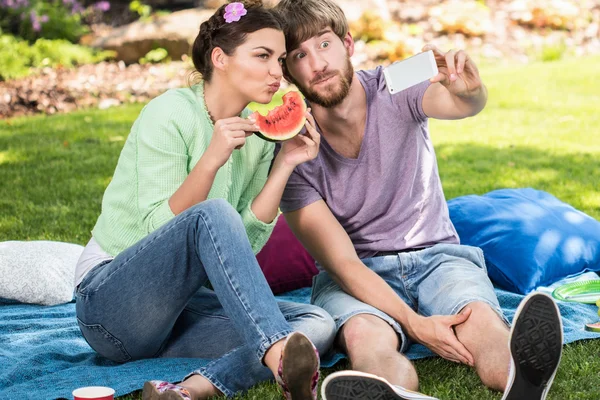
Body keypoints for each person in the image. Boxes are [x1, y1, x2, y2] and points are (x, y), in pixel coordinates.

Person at [273, 0, 564, 399]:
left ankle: (522, 382)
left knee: (479, 321)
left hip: (437, 257)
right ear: (288, 71)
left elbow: (459, 105)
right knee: (365, 336)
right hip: (356, 275)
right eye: (299, 56)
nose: (316, 64)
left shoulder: (394, 86)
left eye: (324, 45)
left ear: (348, 44)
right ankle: (393, 393)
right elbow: (342, 262)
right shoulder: (293, 153)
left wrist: (472, 92)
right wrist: (413, 322)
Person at [73, 1, 336, 399]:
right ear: (220, 58)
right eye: (262, 56)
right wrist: (212, 160)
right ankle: (279, 353)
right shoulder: (168, 114)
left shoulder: (258, 138)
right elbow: (152, 231)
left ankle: (188, 391)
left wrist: (286, 163)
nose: (276, 73)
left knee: (316, 322)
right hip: (108, 308)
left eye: (280, 60)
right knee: (211, 212)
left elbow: (240, 249)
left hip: (173, 318)